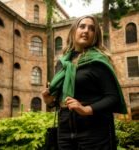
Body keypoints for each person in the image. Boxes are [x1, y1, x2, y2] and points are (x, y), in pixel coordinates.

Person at [42, 15, 127, 150]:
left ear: (95, 36)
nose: (86, 30)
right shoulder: (63, 63)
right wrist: (49, 100)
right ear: (74, 31)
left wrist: (86, 109)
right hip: (65, 132)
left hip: (94, 133)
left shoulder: (98, 61)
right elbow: (59, 100)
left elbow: (113, 97)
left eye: (91, 28)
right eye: (82, 26)